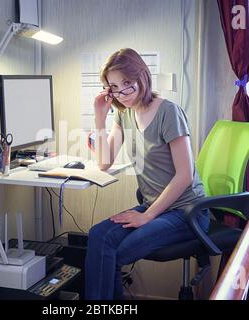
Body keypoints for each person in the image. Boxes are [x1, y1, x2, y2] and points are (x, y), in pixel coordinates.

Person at [85, 48, 209, 300]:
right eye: (114, 87)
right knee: (98, 236)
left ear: (142, 76)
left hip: (187, 212)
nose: (122, 93)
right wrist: (100, 116)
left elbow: (185, 175)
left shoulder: (168, 112)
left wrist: (148, 216)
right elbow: (104, 163)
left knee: (115, 252)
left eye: (127, 84)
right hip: (156, 208)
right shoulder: (123, 113)